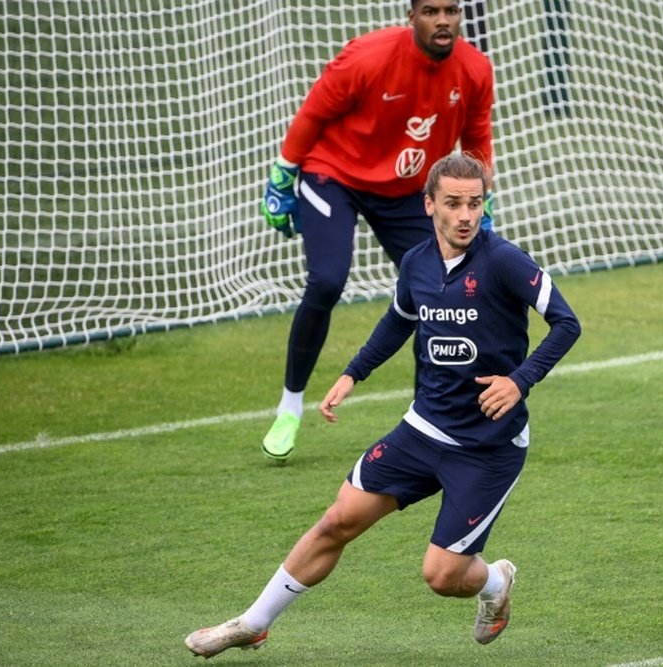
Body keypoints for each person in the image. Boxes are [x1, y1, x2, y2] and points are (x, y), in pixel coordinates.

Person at [185, 153, 581, 658]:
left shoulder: (504, 260)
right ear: (429, 205)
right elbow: (398, 320)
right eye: (454, 203)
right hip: (422, 429)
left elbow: (567, 323)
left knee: (441, 576)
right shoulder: (416, 262)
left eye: (475, 204)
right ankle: (252, 623)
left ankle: (495, 583)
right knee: (337, 520)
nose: (465, 215)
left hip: (487, 446)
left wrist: (518, 382)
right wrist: (354, 372)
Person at [260, 0, 495, 462]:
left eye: (451, 10)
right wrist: (284, 173)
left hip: (408, 190)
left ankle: (430, 418)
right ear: (412, 16)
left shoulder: (475, 69)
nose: (443, 20)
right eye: (431, 10)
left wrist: (480, 196)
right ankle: (290, 407)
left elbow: (476, 136)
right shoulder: (367, 57)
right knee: (327, 280)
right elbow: (313, 112)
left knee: (440, 291)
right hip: (336, 175)